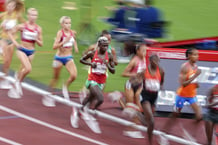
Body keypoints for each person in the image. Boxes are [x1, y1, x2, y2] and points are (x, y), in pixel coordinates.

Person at [70, 36, 115, 133]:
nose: (105, 48)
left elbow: (113, 71)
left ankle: (78, 112)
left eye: (107, 46)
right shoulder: (93, 53)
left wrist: (107, 65)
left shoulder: (109, 56)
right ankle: (91, 113)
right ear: (99, 45)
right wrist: (91, 64)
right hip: (92, 80)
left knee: (90, 98)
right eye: (103, 46)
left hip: (101, 82)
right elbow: (81, 60)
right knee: (100, 98)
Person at [7, 8, 43, 98]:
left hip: (31, 52)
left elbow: (41, 44)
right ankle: (19, 83)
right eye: (32, 15)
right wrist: (16, 43)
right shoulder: (22, 26)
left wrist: (36, 39)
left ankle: (14, 87)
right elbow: (10, 33)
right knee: (28, 69)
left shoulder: (38, 29)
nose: (33, 17)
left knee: (22, 70)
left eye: (35, 15)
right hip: (22, 50)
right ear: (28, 16)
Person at [48, 16, 78, 100]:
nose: (68, 25)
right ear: (62, 24)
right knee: (56, 78)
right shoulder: (60, 33)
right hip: (59, 58)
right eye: (66, 23)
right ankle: (50, 94)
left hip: (68, 57)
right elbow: (54, 46)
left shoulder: (72, 32)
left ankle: (65, 86)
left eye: (69, 23)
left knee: (74, 75)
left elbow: (74, 39)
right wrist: (64, 41)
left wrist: (75, 47)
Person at [121, 43, 146, 138]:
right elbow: (124, 73)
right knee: (132, 109)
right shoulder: (134, 61)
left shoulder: (144, 60)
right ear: (138, 51)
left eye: (145, 51)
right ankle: (131, 130)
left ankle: (133, 128)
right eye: (143, 51)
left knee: (137, 108)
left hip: (140, 86)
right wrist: (135, 74)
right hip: (130, 85)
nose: (145, 52)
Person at [140, 54, 164, 145]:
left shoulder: (161, 71)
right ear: (150, 61)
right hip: (145, 96)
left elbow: (161, 82)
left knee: (148, 122)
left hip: (154, 96)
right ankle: (150, 142)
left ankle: (139, 115)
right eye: (155, 61)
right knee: (151, 120)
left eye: (158, 61)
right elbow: (139, 82)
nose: (157, 63)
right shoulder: (144, 72)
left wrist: (159, 86)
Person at [0, 0, 25, 88]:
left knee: (8, 62)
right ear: (6, 6)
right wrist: (2, 25)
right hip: (4, 39)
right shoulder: (3, 15)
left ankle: (4, 79)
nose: (10, 8)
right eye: (9, 6)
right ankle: (3, 79)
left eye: (12, 6)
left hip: (13, 40)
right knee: (6, 60)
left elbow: (24, 24)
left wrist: (18, 28)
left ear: (14, 7)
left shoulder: (17, 15)